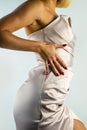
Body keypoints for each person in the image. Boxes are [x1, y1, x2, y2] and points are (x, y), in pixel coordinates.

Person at [0, 0, 86, 130]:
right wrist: (40, 47)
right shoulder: (37, 5)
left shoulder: (55, 14)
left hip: (54, 96)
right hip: (43, 99)